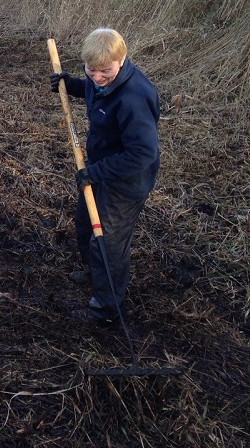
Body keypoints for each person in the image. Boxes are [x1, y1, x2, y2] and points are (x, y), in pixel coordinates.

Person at [49, 28, 160, 325]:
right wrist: (68, 83)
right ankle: (92, 271)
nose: (97, 77)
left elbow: (142, 154)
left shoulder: (135, 98)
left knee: (107, 243)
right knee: (84, 224)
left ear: (121, 61)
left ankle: (107, 308)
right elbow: (90, 87)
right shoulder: (98, 80)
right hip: (99, 171)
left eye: (105, 72)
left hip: (126, 181)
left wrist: (95, 172)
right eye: (91, 70)